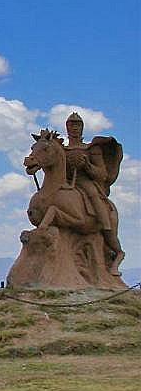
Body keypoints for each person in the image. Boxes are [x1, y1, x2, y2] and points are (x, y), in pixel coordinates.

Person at [64, 112, 124, 274]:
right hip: (66, 184)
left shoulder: (91, 149)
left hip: (85, 182)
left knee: (92, 193)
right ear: (67, 128)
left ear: (82, 128)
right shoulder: (63, 149)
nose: (74, 128)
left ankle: (105, 225)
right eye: (71, 125)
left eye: (77, 125)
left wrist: (87, 165)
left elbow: (102, 174)